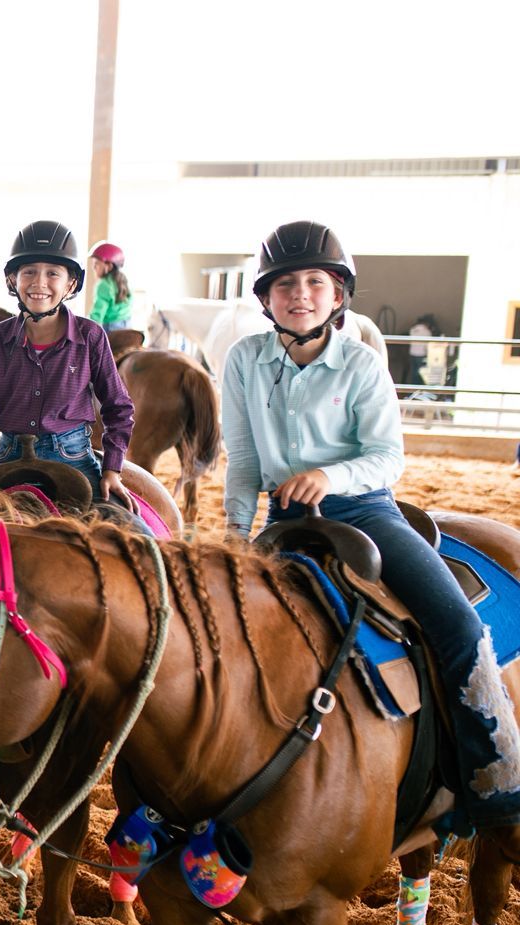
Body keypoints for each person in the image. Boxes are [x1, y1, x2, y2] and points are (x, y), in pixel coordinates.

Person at [222, 219, 520, 832]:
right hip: (284, 518)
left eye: (315, 282)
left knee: (457, 624)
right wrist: (233, 534)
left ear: (337, 295)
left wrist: (328, 477)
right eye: (285, 284)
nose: (300, 294)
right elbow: (245, 459)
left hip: (364, 512)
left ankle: (496, 773)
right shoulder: (245, 359)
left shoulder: (361, 364)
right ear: (266, 297)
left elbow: (387, 457)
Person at [0, 220, 134, 504]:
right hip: (10, 462)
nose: (39, 283)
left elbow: (118, 406)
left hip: (75, 460)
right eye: (29, 272)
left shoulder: (91, 337)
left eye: (53, 273)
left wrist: (112, 469)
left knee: (128, 527)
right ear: (13, 280)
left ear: (71, 283)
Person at [87, 241, 133, 333]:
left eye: (96, 263)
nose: (93, 267)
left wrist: (86, 325)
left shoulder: (103, 284)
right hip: (127, 326)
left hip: (111, 329)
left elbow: (97, 315)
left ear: (109, 266)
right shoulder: (124, 280)